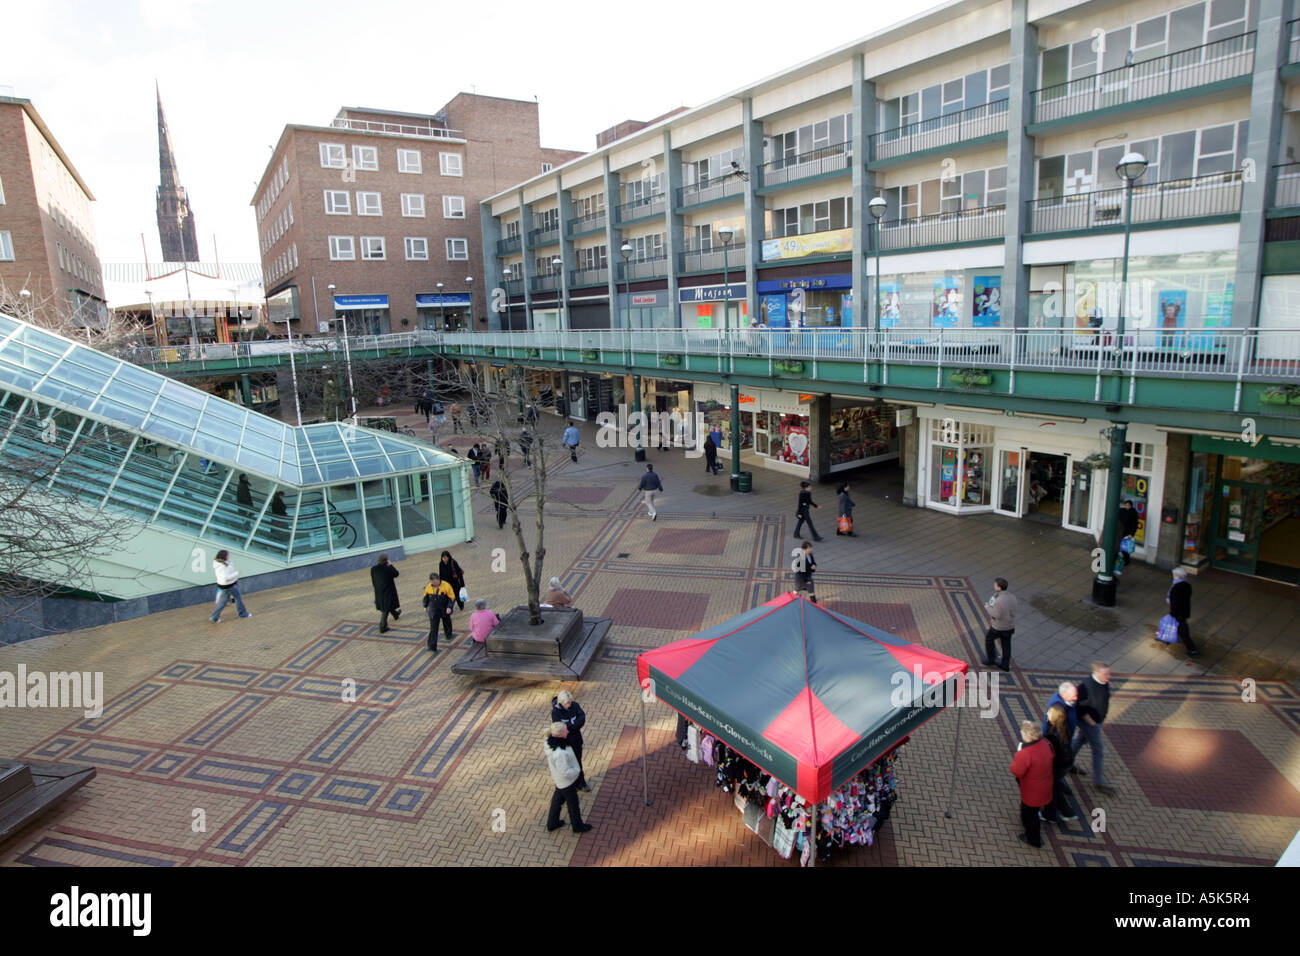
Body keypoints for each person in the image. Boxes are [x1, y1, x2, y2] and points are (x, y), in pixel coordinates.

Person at [1072, 662, 1115, 796]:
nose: (1109, 676)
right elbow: (1079, 706)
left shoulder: (1104, 682)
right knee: (1099, 749)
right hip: (1090, 723)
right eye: (1105, 673)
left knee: (1080, 740)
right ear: (1096, 673)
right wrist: (1090, 721)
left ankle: (1067, 762)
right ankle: (1098, 782)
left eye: (1109, 673)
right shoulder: (1085, 687)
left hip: (1098, 721)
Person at [1009, 720, 1053, 848]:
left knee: (1030, 814)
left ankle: (1033, 838)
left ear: (1028, 736)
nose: (1021, 733)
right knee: (1032, 810)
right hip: (1045, 783)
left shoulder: (1026, 753)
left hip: (1032, 790)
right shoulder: (1046, 744)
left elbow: (1016, 770)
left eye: (1022, 731)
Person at [544, 722, 593, 834]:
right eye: (566, 730)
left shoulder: (549, 743)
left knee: (558, 800)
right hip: (566, 782)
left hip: (559, 780)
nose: (568, 731)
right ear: (561, 735)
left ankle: (552, 823)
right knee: (573, 804)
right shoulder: (560, 753)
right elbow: (565, 771)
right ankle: (577, 826)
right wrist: (576, 771)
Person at [1041, 703, 1078, 824]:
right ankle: (1065, 812)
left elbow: (1048, 752)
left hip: (1057, 765)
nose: (1047, 713)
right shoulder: (1063, 727)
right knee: (1055, 786)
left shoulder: (1052, 735)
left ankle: (1052, 814)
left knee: (1052, 788)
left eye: (1049, 713)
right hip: (1065, 762)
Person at [551, 690, 590, 791]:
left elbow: (582, 718)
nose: (569, 704)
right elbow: (559, 727)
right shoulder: (556, 712)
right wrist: (573, 727)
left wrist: (570, 727)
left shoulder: (575, 705)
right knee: (567, 764)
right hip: (566, 743)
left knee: (578, 761)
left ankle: (581, 782)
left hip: (576, 740)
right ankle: (570, 785)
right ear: (561, 702)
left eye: (570, 702)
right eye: (567, 703)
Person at [983, 577, 1017, 671]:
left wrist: (987, 608)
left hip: (998, 627)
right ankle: (1005, 664)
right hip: (1009, 626)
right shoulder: (1012, 597)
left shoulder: (999, 600)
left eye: (995, 584)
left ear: (999, 587)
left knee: (989, 640)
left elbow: (996, 615)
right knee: (1006, 645)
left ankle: (991, 659)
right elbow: (1014, 612)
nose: (994, 585)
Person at [210, 550, 252, 623]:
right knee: (238, 598)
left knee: (223, 602)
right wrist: (236, 573)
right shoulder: (222, 566)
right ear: (224, 556)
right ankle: (243, 613)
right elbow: (226, 577)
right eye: (228, 555)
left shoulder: (219, 563)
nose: (229, 556)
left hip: (224, 585)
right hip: (229, 585)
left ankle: (214, 617)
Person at [1167, 567, 1199, 657]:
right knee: (1180, 627)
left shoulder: (1176, 587)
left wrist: (1172, 612)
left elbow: (1174, 602)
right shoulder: (1187, 585)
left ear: (1177, 576)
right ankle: (1170, 638)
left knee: (1183, 630)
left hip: (1178, 613)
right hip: (1185, 611)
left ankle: (1192, 649)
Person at [422, 572, 455, 652]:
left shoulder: (446, 585)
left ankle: (448, 634)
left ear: (438, 579)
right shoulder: (429, 587)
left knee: (446, 621)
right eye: (432, 582)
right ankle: (432, 646)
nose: (434, 584)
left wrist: (449, 607)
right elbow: (425, 597)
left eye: (435, 582)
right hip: (433, 610)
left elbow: (452, 597)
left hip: (444, 608)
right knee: (433, 628)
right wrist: (425, 606)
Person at [370, 553, 401, 633]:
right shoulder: (387, 569)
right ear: (386, 561)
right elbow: (396, 574)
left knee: (387, 604)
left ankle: (395, 614)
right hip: (388, 591)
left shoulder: (373, 569)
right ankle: (383, 627)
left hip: (379, 591)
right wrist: (391, 565)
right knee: (385, 609)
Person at [1115, 500, 1139, 574]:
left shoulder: (1133, 513)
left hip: (1127, 532)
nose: (1127, 506)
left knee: (1125, 547)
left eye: (1128, 505)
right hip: (1120, 531)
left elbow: (1134, 524)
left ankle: (1126, 560)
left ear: (1131, 506)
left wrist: (1131, 534)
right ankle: (1121, 558)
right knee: (1119, 545)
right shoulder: (1122, 511)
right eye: (1126, 505)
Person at [793, 539, 818, 604]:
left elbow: (813, 563)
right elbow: (800, 572)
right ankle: (815, 605)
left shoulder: (810, 555)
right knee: (797, 589)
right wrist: (807, 580)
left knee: (808, 590)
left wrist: (814, 566)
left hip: (807, 576)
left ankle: (814, 604)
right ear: (804, 549)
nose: (811, 549)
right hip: (801, 578)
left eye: (811, 547)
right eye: (809, 548)